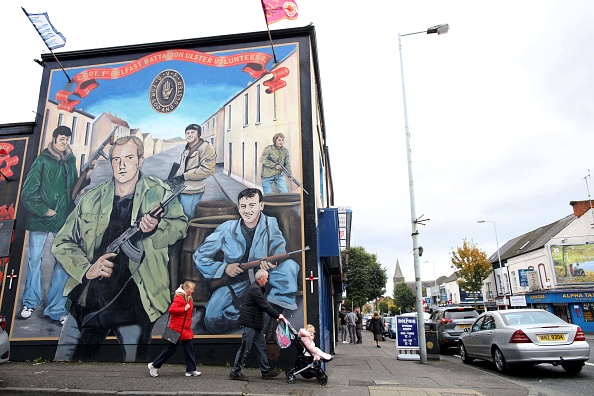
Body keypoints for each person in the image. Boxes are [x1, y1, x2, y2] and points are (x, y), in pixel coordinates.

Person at [52, 136, 188, 362]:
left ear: (140, 161)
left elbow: (180, 226)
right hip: (89, 297)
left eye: (128, 158)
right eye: (116, 159)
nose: (122, 165)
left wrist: (156, 227)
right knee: (65, 364)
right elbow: (62, 242)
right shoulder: (92, 198)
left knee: (135, 370)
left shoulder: (159, 192)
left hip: (136, 298)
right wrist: (87, 269)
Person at [193, 187, 299, 334]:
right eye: (243, 206)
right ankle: (253, 315)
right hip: (236, 283)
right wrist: (224, 268)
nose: (247, 210)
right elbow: (200, 256)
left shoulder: (270, 223)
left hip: (265, 280)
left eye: (252, 205)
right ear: (238, 207)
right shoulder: (227, 228)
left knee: (290, 266)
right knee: (212, 319)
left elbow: (278, 249)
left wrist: (272, 263)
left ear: (261, 206)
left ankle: (272, 319)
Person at [20, 125, 95, 324]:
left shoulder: (70, 160)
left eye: (67, 139)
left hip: (62, 219)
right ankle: (30, 302)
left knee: (63, 262)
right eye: (61, 139)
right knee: (34, 261)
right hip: (40, 219)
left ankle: (55, 308)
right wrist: (45, 210)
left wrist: (86, 177)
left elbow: (74, 188)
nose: (65, 143)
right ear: (54, 139)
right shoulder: (42, 161)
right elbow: (27, 194)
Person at [229, 268, 284, 381]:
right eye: (266, 278)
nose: (267, 281)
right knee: (245, 349)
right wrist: (278, 315)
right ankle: (235, 372)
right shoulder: (255, 289)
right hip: (250, 324)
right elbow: (264, 305)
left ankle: (265, 371)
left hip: (256, 324)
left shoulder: (258, 288)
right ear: (261, 278)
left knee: (262, 348)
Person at [148, 281, 201, 378]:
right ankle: (154, 365)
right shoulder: (179, 298)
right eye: (191, 289)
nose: (193, 291)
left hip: (185, 329)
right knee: (171, 349)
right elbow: (171, 310)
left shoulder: (187, 298)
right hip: (176, 329)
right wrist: (184, 309)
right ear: (185, 288)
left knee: (189, 349)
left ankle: (191, 370)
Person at [169, 124, 216, 218]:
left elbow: (208, 169)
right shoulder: (187, 148)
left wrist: (184, 176)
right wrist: (173, 179)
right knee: (180, 216)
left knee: (188, 217)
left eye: (192, 132)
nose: (189, 135)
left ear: (198, 134)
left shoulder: (206, 148)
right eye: (187, 133)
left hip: (193, 190)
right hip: (182, 189)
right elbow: (183, 167)